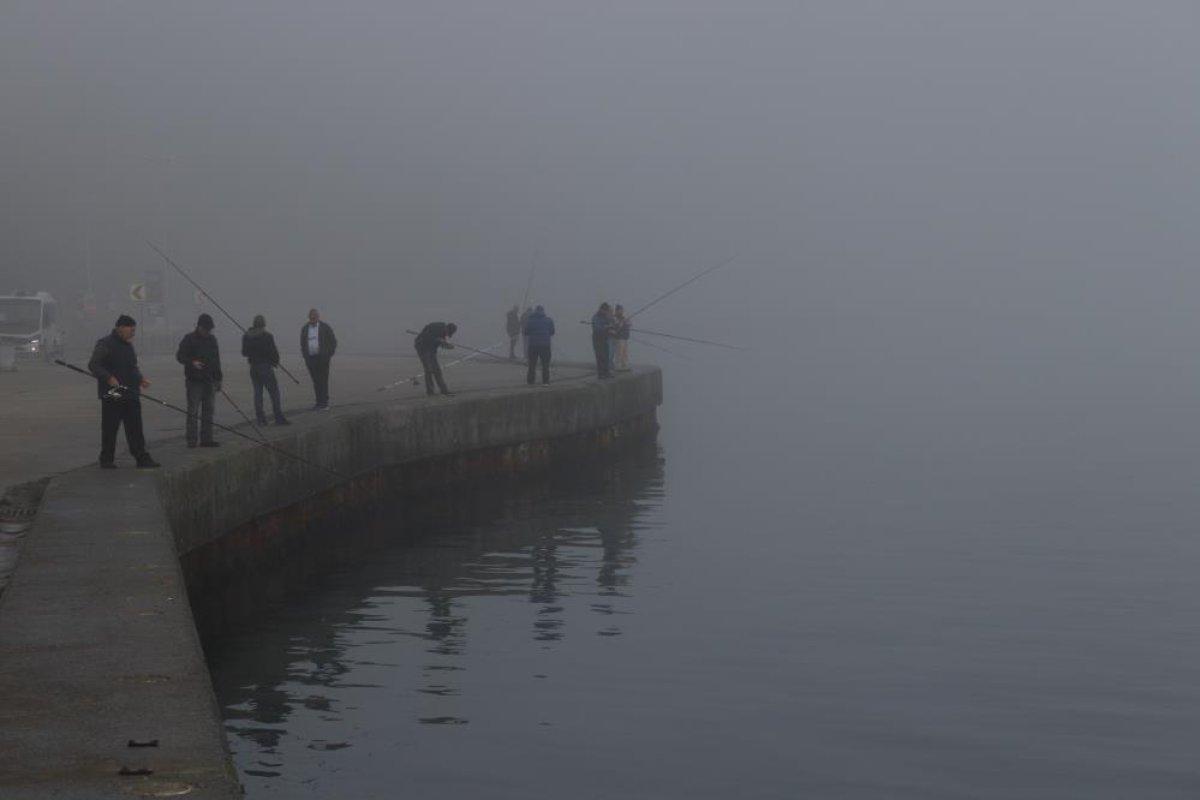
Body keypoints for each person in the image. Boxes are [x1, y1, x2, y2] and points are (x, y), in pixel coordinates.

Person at [87, 314, 159, 469]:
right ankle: (106, 459)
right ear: (120, 328)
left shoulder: (128, 346)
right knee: (110, 427)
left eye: (134, 330)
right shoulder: (105, 344)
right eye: (130, 330)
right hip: (113, 392)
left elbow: (132, 367)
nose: (133, 333)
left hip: (131, 392)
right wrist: (108, 378)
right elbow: (93, 365)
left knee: (135, 427)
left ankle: (141, 457)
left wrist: (140, 379)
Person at [176, 313, 223, 448]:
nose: (208, 332)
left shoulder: (212, 340)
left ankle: (206, 439)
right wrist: (192, 362)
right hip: (194, 381)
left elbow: (216, 360)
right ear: (200, 327)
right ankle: (191, 440)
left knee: (208, 410)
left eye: (210, 330)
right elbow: (179, 356)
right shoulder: (189, 339)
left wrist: (219, 379)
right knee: (193, 411)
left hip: (210, 380)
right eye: (206, 329)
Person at [242, 314, 290, 426]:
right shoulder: (267, 336)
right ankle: (278, 418)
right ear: (263, 324)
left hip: (253, 368)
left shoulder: (247, 336)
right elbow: (273, 352)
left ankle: (261, 420)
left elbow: (244, 352)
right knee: (274, 392)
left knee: (258, 393)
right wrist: (275, 362)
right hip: (265, 367)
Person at [300, 308, 337, 410]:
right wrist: (305, 356)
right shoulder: (305, 328)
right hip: (311, 359)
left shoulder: (325, 327)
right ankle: (318, 403)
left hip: (323, 359)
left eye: (314, 316)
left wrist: (328, 354)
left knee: (323, 381)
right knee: (316, 381)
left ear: (318, 317)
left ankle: (324, 403)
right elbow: (303, 343)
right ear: (309, 317)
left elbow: (333, 341)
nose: (313, 318)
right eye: (311, 316)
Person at [413, 322, 457, 396]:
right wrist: (438, 340)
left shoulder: (443, 334)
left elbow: (441, 343)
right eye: (448, 333)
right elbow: (426, 337)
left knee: (437, 370)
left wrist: (448, 346)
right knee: (429, 370)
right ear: (447, 329)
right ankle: (430, 392)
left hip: (431, 350)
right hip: (422, 348)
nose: (446, 335)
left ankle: (444, 390)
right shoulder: (436, 326)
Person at [523, 304, 555, 385]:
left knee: (532, 364)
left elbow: (526, 332)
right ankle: (545, 382)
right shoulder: (549, 320)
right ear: (543, 311)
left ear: (535, 311)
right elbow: (552, 332)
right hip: (545, 345)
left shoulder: (530, 320)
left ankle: (530, 382)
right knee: (545, 364)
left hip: (533, 345)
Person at [590, 302, 614, 379]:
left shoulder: (606, 317)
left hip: (605, 339)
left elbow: (610, 325)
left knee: (606, 356)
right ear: (601, 309)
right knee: (600, 356)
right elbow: (597, 329)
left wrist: (612, 327)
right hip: (597, 339)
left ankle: (606, 373)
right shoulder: (595, 317)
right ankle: (601, 374)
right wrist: (606, 327)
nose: (606, 312)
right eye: (606, 310)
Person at [612, 304, 632, 371]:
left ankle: (624, 365)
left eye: (622, 310)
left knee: (624, 352)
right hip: (618, 338)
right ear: (617, 311)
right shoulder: (614, 318)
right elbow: (615, 328)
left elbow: (629, 325)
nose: (621, 311)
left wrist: (627, 322)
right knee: (619, 352)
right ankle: (618, 365)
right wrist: (620, 324)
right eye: (620, 310)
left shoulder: (624, 318)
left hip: (625, 338)